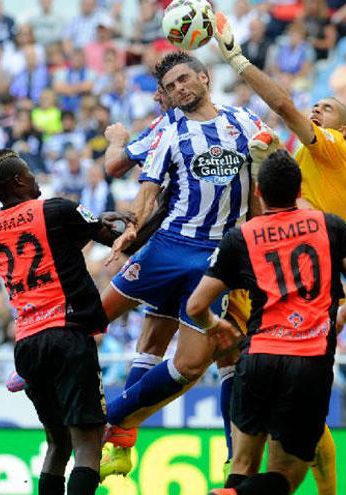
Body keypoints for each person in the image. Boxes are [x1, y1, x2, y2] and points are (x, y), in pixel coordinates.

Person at [211, 10, 346, 492]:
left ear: (343, 128)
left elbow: (281, 101)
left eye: (328, 108)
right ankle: (242, 467)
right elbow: (265, 213)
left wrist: (236, 60)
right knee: (261, 380)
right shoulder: (300, 164)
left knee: (243, 362)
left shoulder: (333, 148)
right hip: (284, 280)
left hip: (301, 292)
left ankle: (244, 474)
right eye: (317, 106)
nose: (317, 111)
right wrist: (259, 162)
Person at [97, 51, 262, 478]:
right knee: (98, 318)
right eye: (170, 87)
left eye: (184, 80)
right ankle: (39, 374)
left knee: (197, 361)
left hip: (220, 257)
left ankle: (113, 421)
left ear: (205, 78)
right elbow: (147, 187)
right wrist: (133, 226)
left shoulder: (244, 122)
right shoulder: (168, 130)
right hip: (169, 245)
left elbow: (268, 172)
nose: (178, 90)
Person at [190, 151, 346, 495]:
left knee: (243, 464)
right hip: (308, 361)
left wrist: (213, 325)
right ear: (298, 191)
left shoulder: (241, 237)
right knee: (285, 476)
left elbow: (196, 304)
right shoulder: (330, 225)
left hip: (258, 356)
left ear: (258, 192)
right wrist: (342, 317)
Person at [0, 149, 132, 495]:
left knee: (57, 445)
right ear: (18, 180)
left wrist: (85, 226)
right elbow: (115, 237)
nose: (36, 179)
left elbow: (52, 246)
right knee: (88, 448)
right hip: (67, 335)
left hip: (28, 345)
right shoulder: (57, 209)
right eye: (30, 173)